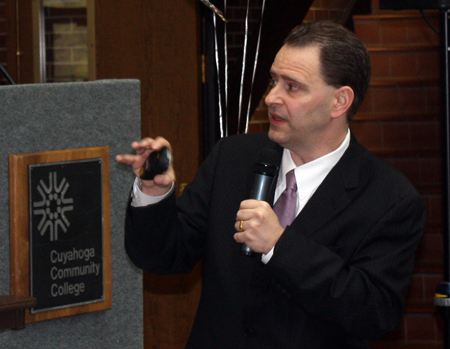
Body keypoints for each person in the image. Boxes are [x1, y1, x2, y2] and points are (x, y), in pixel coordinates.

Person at [116, 21, 425, 348]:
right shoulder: (232, 159)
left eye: (292, 87)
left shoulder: (390, 199)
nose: (270, 97)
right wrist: (154, 193)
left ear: (340, 101)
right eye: (273, 81)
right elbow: (162, 257)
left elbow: (374, 312)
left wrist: (279, 245)